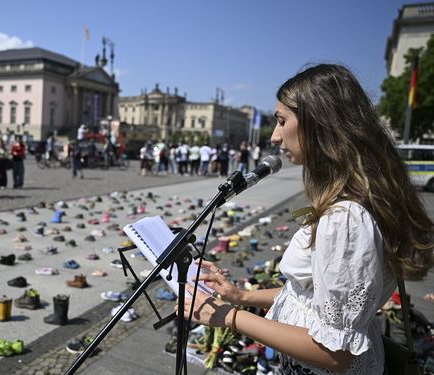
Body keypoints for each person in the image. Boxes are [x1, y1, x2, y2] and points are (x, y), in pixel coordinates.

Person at [178, 64, 434, 374]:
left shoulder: (346, 220)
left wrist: (228, 316)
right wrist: (241, 295)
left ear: (320, 123)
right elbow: (312, 300)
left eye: (282, 121)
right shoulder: (347, 204)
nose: (274, 136)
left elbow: (333, 353)